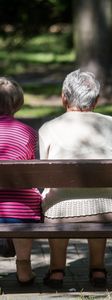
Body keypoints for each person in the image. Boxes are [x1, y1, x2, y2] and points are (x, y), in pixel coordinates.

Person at [39, 70, 112, 289]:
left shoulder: (48, 128)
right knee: (100, 195)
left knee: (57, 199)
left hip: (59, 213)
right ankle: (98, 268)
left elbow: (44, 173)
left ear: (64, 97)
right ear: (96, 100)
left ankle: (56, 271)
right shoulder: (111, 123)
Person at [0, 77, 42, 285]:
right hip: (21, 211)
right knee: (22, 201)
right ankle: (23, 265)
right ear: (17, 103)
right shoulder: (28, 132)